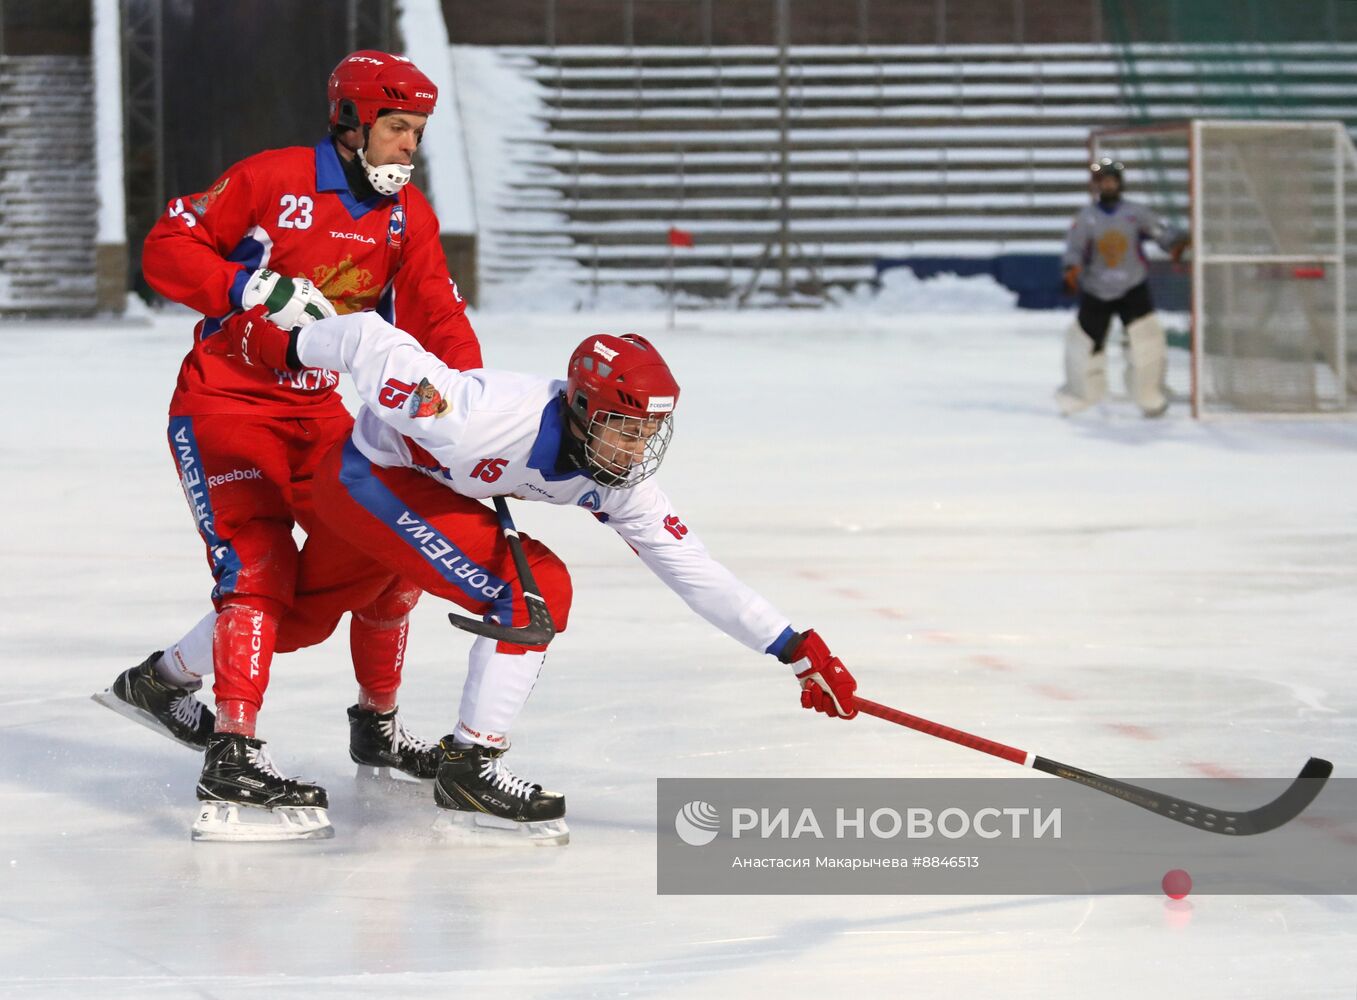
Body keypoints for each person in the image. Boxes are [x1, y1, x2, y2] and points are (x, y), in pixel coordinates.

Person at [199, 306, 860, 843]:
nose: (634, 450)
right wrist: (286, 346)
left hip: (411, 490)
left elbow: (691, 568)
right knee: (534, 587)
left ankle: (160, 676)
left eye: (648, 432)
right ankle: (472, 763)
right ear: (579, 409)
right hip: (366, 478)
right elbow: (371, 340)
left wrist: (794, 648)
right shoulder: (474, 414)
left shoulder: (621, 482)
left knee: (300, 618)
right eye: (621, 428)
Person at [93, 51, 483, 838]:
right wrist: (244, 286)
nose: (410, 148)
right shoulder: (272, 179)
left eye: (417, 132)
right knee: (261, 563)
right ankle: (233, 751)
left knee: (393, 542)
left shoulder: (408, 215)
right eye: (396, 129)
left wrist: (469, 409)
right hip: (224, 404)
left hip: (319, 413)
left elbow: (436, 315)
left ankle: (374, 723)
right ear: (349, 123)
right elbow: (168, 247)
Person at [1057, 157, 1187, 418]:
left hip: (1132, 287)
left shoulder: (1136, 213)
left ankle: (1150, 394)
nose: (1108, 185)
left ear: (1119, 183)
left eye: (1112, 180)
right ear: (1097, 185)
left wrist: (1175, 242)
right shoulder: (1086, 218)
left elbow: (1160, 233)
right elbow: (1074, 249)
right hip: (1096, 289)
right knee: (1083, 343)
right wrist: (1071, 269)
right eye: (1103, 181)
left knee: (1147, 342)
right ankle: (1081, 395)